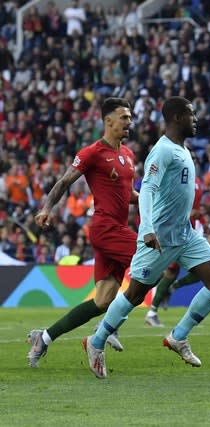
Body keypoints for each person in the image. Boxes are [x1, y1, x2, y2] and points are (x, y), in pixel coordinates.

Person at [83, 97, 210, 379]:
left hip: (185, 234)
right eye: (191, 114)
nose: (196, 119)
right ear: (176, 117)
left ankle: (178, 336)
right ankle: (96, 341)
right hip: (159, 236)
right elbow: (147, 190)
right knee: (135, 294)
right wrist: (147, 228)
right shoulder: (162, 151)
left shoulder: (183, 150)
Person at [27, 98, 137, 367]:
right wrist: (46, 208)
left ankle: (45, 337)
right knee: (155, 260)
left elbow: (128, 195)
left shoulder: (129, 155)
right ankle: (109, 327)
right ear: (107, 121)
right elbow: (64, 181)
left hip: (118, 229)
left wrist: (151, 198)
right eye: (124, 117)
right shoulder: (92, 153)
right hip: (104, 227)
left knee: (102, 300)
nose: (129, 122)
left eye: (130, 117)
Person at [144, 170, 205, 328]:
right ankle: (151, 312)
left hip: (191, 229)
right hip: (175, 229)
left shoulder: (196, 180)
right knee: (167, 272)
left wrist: (197, 215)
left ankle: (170, 288)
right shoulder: (176, 177)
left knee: (203, 270)